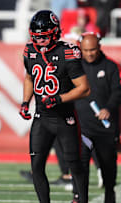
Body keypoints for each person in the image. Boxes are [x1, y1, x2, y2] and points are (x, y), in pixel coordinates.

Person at [20, 10, 90, 203]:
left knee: (74, 164)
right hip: (41, 118)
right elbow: (29, 78)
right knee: (36, 166)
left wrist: (59, 99)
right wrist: (26, 101)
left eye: (43, 36)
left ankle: (80, 199)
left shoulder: (67, 52)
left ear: (54, 32)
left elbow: (84, 89)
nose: (39, 41)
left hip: (64, 118)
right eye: (36, 36)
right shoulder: (29, 50)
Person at [73, 32, 121, 203]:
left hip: (105, 129)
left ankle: (110, 196)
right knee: (80, 168)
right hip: (81, 129)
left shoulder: (110, 67)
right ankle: (79, 198)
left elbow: (117, 92)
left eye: (93, 49)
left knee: (109, 169)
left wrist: (108, 108)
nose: (89, 53)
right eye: (86, 50)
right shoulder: (75, 67)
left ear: (99, 47)